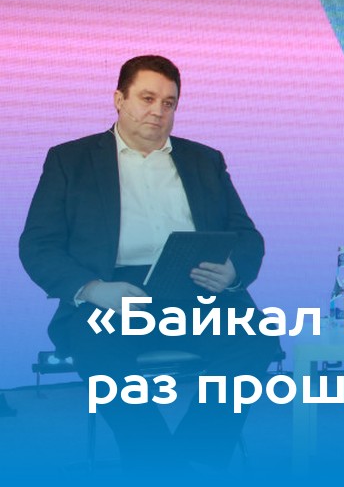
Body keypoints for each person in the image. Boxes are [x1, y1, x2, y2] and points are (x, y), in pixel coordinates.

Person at [19, 55, 279, 471]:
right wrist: (93, 290)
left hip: (197, 289)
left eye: (169, 103)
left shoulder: (205, 160)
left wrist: (233, 272)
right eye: (147, 98)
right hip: (113, 294)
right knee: (95, 350)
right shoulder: (71, 160)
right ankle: (156, 461)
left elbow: (247, 235)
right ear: (119, 99)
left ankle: (193, 456)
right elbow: (38, 245)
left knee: (254, 339)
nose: (158, 111)